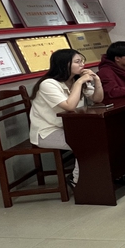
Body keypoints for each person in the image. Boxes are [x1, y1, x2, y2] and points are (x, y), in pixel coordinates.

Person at [29, 49, 104, 186]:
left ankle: (95, 177)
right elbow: (69, 106)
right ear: (64, 64)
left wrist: (97, 81)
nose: (82, 65)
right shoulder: (48, 84)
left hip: (70, 127)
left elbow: (97, 99)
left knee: (100, 136)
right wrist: (79, 83)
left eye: (82, 61)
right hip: (47, 132)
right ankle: (77, 181)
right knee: (85, 142)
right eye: (77, 62)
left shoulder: (76, 80)